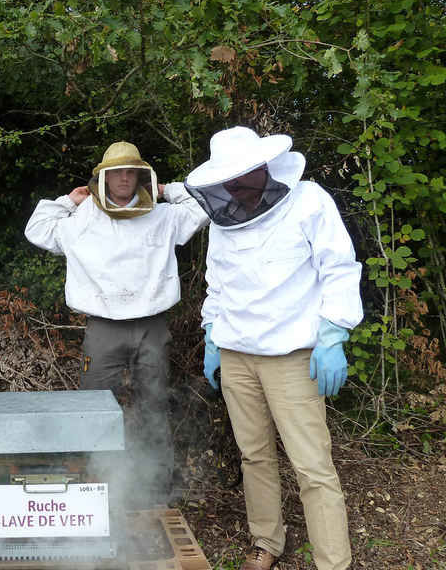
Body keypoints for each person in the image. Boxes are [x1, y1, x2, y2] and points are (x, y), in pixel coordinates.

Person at [184, 126, 363, 570]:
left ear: (263, 167)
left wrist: (333, 334)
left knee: (312, 466)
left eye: (241, 179)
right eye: (227, 182)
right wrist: (211, 335)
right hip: (236, 353)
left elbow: (338, 268)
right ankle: (266, 542)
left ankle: (333, 563)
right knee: (254, 455)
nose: (234, 190)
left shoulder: (309, 201)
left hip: (293, 357)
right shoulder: (226, 217)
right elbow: (217, 283)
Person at [24, 141, 209, 502]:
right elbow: (37, 228)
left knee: (154, 403)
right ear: (103, 177)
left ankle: (156, 489)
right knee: (95, 406)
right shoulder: (83, 217)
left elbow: (203, 206)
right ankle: (95, 487)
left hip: (152, 326)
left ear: (142, 175)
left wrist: (166, 190)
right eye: (117, 172)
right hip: (103, 328)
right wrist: (68, 200)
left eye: (131, 172)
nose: (124, 178)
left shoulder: (162, 213)